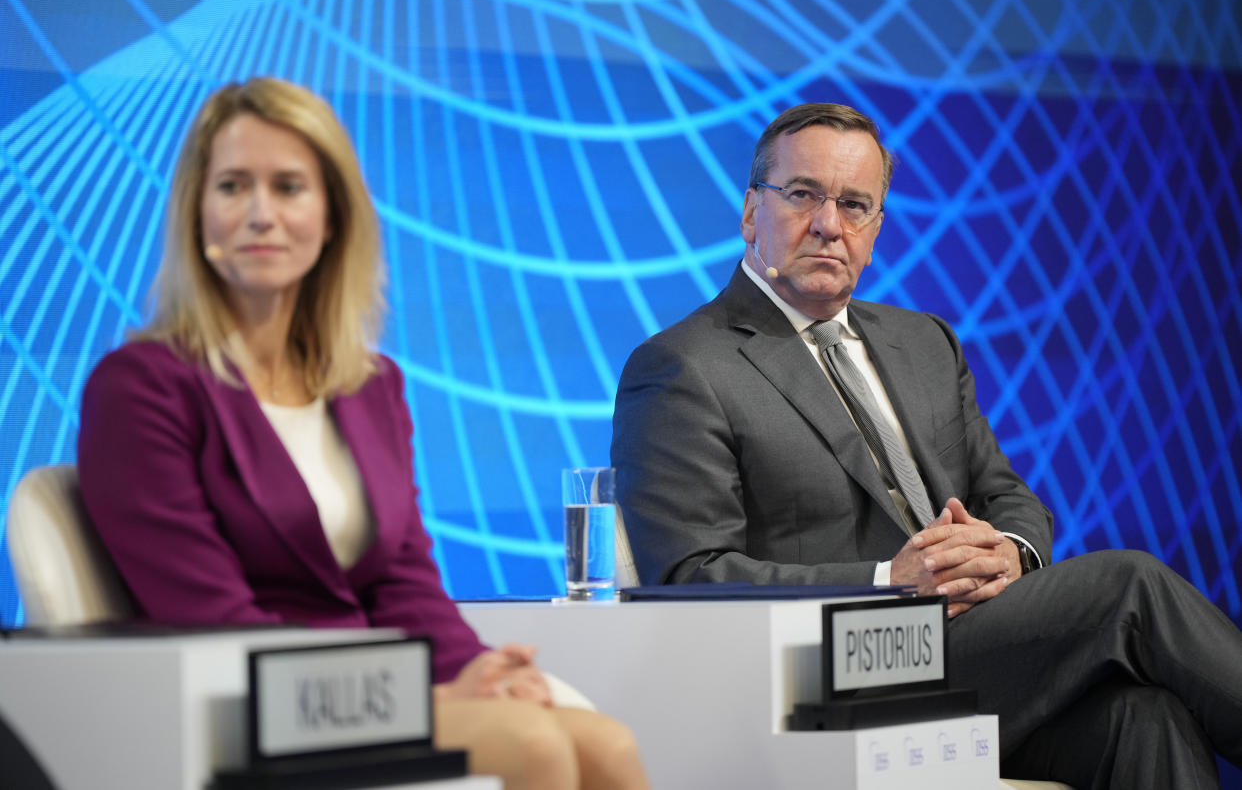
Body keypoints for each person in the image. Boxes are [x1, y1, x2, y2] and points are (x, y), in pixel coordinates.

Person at [610, 102, 1242, 788]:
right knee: (1130, 585)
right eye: (802, 195)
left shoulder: (924, 343)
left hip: (968, 650)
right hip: (825, 672)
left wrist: (1010, 552)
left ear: (876, 228)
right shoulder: (684, 366)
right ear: (748, 211)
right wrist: (891, 583)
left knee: (1144, 717)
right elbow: (689, 579)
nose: (828, 223)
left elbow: (1006, 495)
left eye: (855, 204)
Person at [78, 76, 647, 790]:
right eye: (231, 186)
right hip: (254, 707)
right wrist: (415, 696)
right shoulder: (140, 386)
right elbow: (211, 617)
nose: (260, 213)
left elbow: (402, 577)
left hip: (374, 690)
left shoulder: (371, 384)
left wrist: (477, 669)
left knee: (610, 746)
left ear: (333, 215)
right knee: (534, 748)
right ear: (197, 212)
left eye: (289, 187)